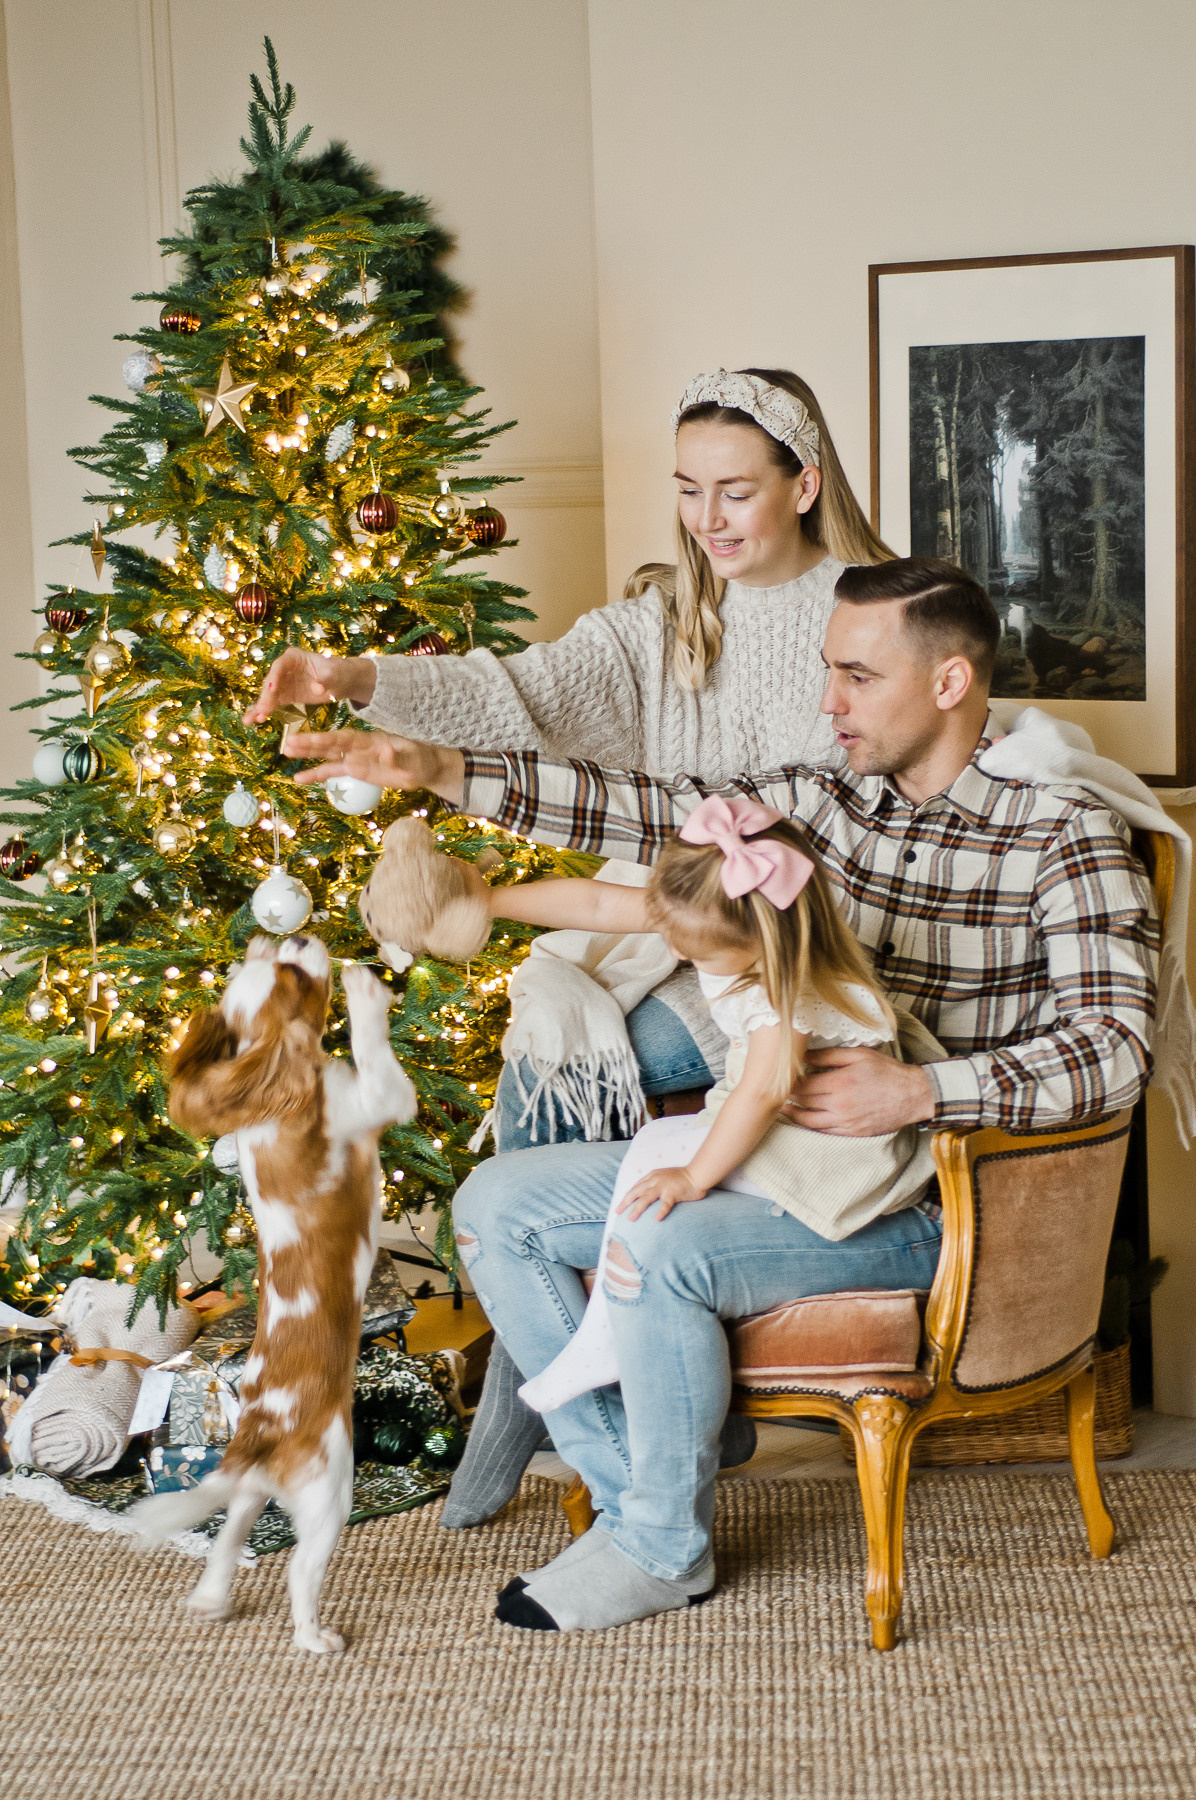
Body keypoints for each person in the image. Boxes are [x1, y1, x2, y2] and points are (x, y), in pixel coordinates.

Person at [286, 556, 1158, 1634]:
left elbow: (1116, 1046)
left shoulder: (1058, 836)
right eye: (824, 671)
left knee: (662, 1244)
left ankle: (658, 1543)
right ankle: (638, 1502)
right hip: (773, 1163)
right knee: (497, 1208)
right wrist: (444, 771)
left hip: (919, 1202)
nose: (827, 700)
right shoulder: (820, 807)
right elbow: (647, 815)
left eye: (855, 675)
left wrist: (919, 1091)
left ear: (946, 684)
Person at [248, 365, 893, 1528]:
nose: (709, 518)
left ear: (802, 483)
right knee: (551, 1025)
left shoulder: (864, 618)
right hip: (664, 917)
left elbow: (816, 820)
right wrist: (359, 680)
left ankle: (526, 1388)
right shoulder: (661, 622)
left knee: (614, 1044)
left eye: (735, 489)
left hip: (789, 950)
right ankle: (565, 1383)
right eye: (688, 489)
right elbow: (514, 693)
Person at [460, 793, 933, 1415]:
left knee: (661, 1159)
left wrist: (693, 1175)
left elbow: (763, 1091)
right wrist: (487, 901)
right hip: (777, 1121)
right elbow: (596, 902)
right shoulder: (716, 914)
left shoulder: (788, 990)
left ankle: (600, 1341)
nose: (681, 955)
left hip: (825, 1156)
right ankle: (600, 1342)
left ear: (765, 940)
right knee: (655, 1160)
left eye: (699, 952)